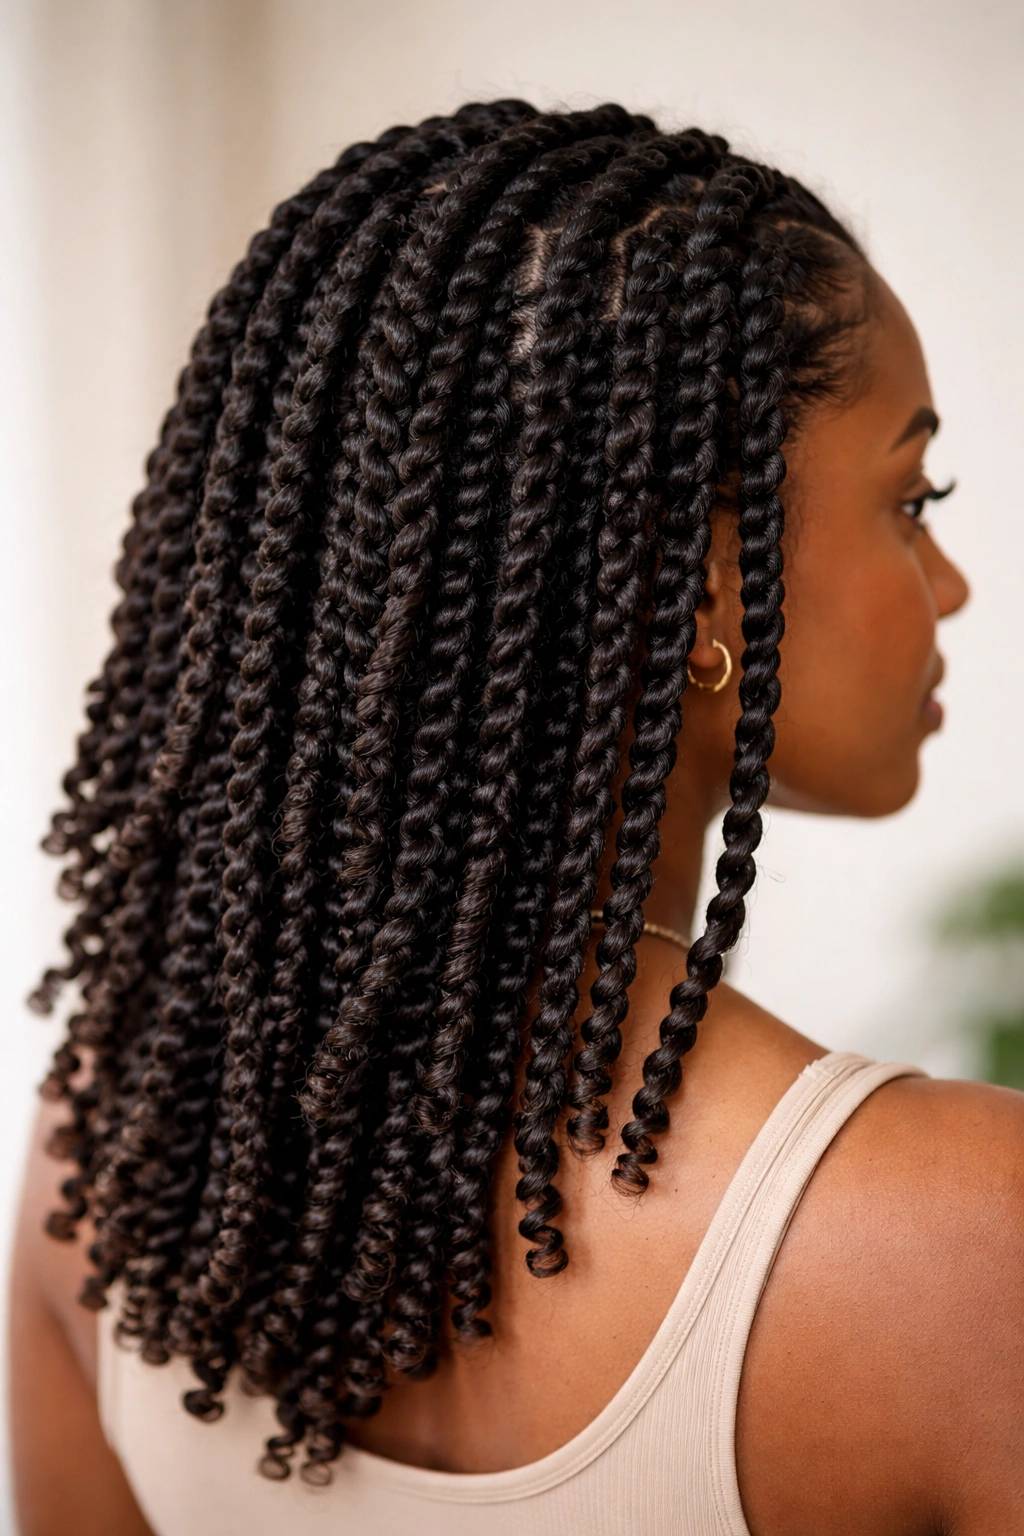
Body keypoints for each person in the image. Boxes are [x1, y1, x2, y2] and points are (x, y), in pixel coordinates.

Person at [9, 99, 1020, 1536]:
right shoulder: (969, 1246)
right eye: (916, 497)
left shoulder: (109, 1160)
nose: (956, 584)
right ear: (709, 586)